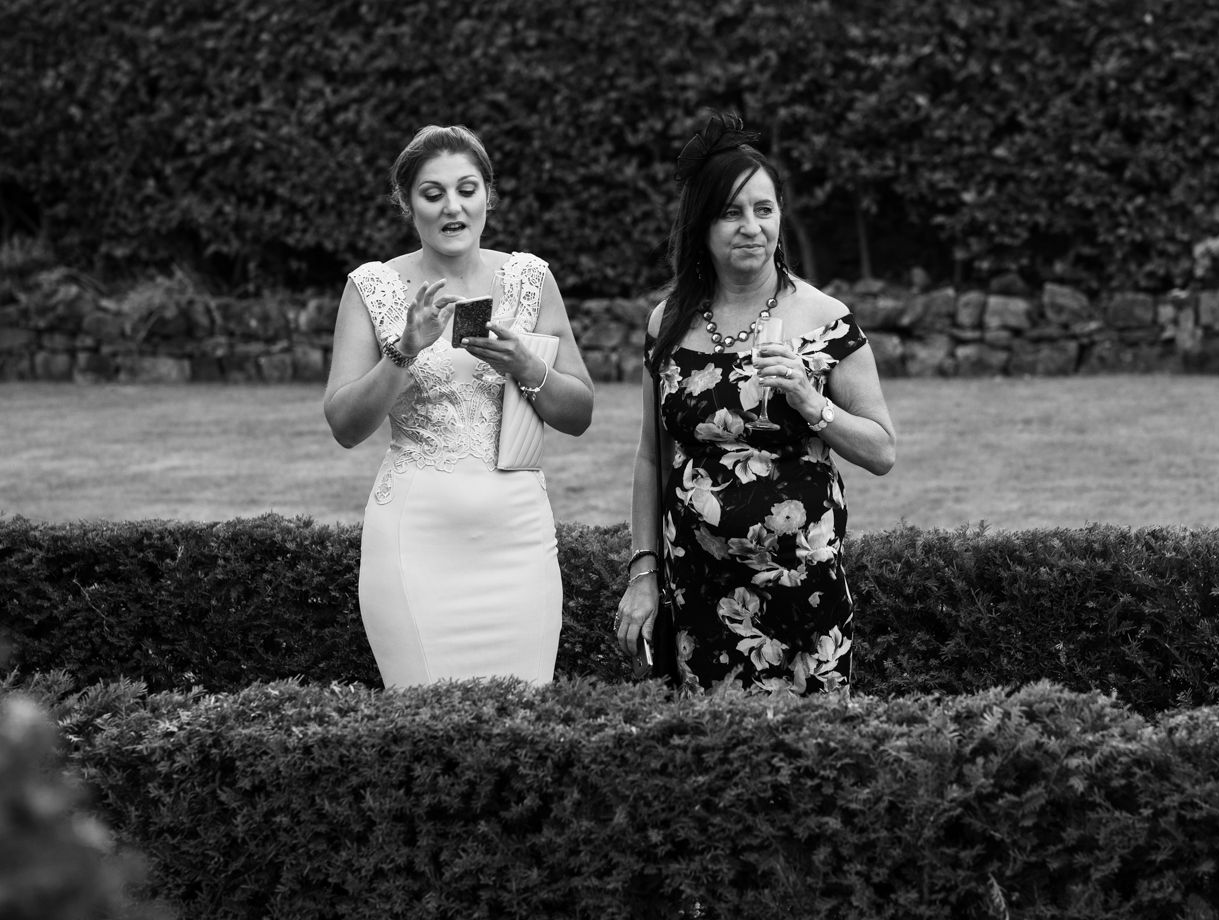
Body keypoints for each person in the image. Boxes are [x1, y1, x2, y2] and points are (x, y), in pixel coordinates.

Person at [615, 113, 896, 695]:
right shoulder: (666, 323)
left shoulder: (824, 319)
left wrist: (810, 401)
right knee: (714, 759)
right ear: (701, 226)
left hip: (804, 594)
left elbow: (881, 450)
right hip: (697, 591)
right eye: (731, 212)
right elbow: (650, 457)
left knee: (811, 759)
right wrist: (645, 571)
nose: (751, 227)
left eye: (763, 210)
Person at [324, 124, 593, 687]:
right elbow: (345, 425)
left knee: (523, 725)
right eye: (433, 193)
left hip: (518, 543)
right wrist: (404, 351)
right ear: (407, 203)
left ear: (487, 197)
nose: (453, 207)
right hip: (415, 542)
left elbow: (580, 414)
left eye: (467, 190)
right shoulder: (373, 287)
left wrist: (526, 366)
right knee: (421, 729)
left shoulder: (529, 279)